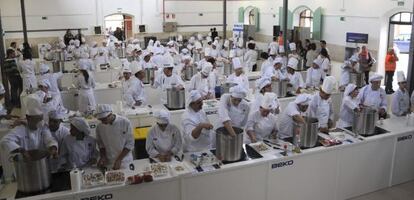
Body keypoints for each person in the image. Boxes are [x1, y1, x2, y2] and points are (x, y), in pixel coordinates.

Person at [96, 104, 134, 170]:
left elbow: (130, 143)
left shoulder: (125, 122)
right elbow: (101, 144)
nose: (103, 122)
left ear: (110, 114)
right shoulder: (99, 127)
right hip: (109, 161)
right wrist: (103, 157)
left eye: (104, 119)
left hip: (124, 160)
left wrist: (119, 160)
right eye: (101, 120)